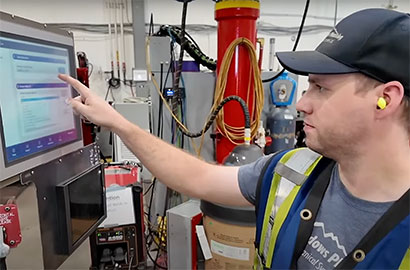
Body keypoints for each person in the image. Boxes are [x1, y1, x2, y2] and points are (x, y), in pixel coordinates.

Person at [59, 8, 409, 270]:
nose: (302, 103)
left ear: (386, 98)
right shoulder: (291, 170)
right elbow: (197, 177)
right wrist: (117, 121)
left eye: (320, 88)